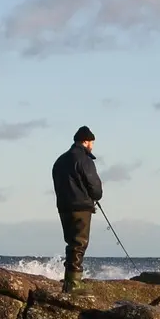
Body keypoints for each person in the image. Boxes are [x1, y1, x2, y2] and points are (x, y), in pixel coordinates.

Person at [51, 125, 103, 292]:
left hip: (64, 206)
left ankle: (69, 280)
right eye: (92, 142)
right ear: (85, 141)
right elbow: (94, 185)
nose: (92, 146)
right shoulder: (84, 159)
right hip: (80, 206)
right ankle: (74, 284)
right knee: (80, 243)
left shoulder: (60, 160)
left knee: (71, 243)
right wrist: (95, 196)